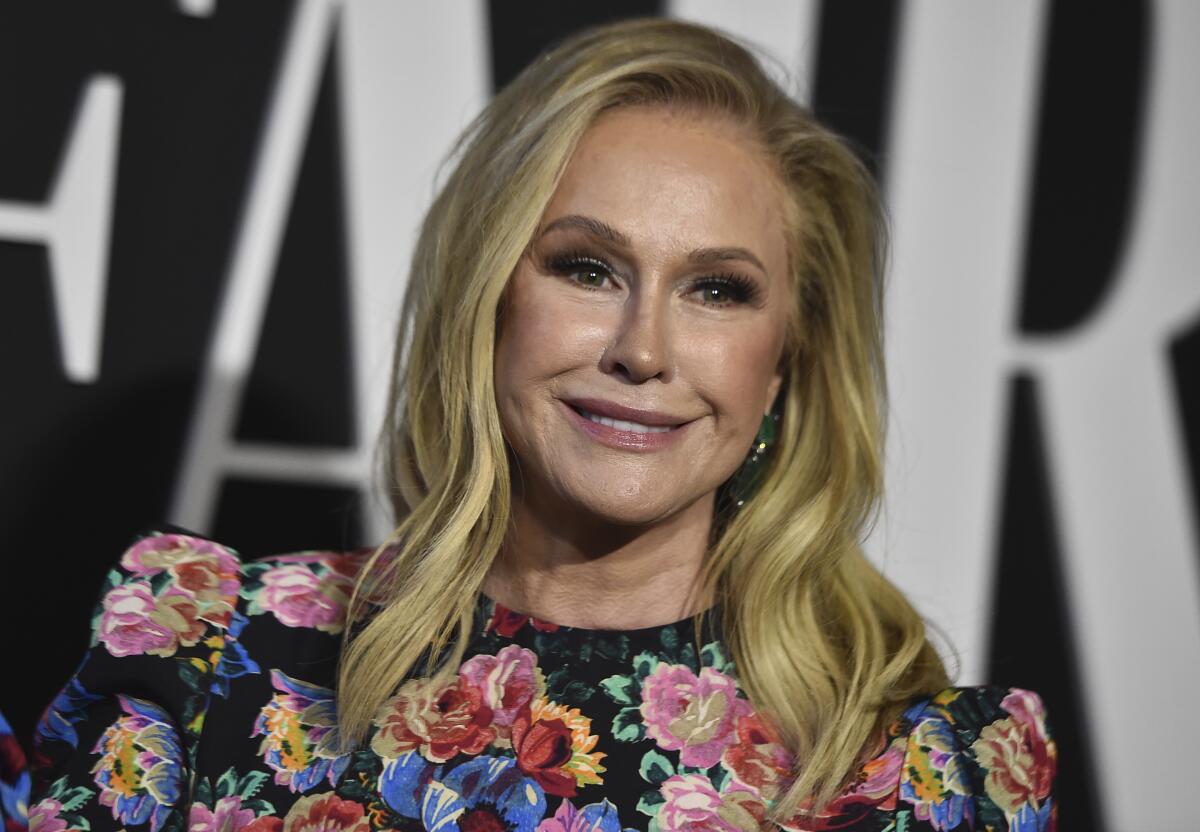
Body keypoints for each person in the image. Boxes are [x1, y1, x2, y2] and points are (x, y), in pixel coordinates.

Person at [27, 18, 1057, 832]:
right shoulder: (209, 668)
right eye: (587, 268)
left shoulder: (928, 776)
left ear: (784, 364)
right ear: (488, 299)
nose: (643, 349)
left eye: (717, 290)